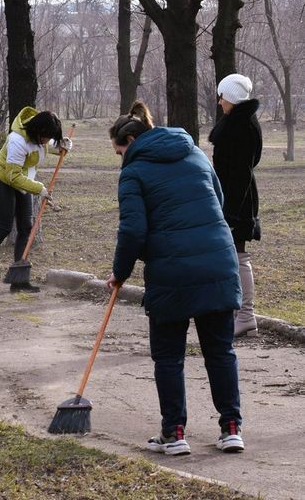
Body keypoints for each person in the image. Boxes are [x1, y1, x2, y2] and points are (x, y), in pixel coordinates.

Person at [105, 101, 244, 456]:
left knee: (169, 356)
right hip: (219, 263)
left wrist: (119, 273)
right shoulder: (195, 152)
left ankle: (174, 433)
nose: (120, 157)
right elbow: (220, 199)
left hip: (171, 273)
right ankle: (231, 428)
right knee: (220, 350)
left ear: (131, 139)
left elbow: (133, 230)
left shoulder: (134, 173)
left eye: (119, 150)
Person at [0, 107, 71, 294]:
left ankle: (19, 280)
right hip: (3, 181)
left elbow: (44, 147)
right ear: (39, 132)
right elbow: (13, 176)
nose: (49, 141)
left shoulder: (38, 135)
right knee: (4, 227)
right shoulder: (17, 140)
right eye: (48, 137)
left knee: (26, 227)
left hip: (22, 181)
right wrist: (39, 189)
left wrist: (62, 147)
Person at [209, 74, 263, 338]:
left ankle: (245, 316)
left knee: (239, 256)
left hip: (236, 202)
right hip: (231, 197)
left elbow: (241, 173)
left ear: (231, 97)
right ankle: (237, 312)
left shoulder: (242, 127)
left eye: (222, 96)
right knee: (232, 256)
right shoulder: (239, 122)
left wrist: (229, 212)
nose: (219, 101)